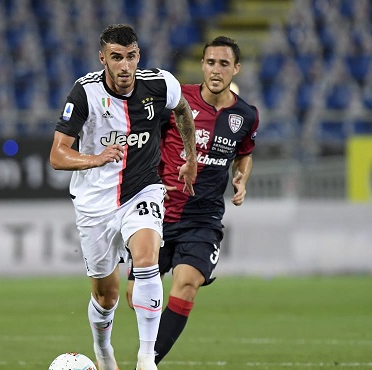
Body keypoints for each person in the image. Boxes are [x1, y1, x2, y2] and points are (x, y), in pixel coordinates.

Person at [49, 24, 198, 370]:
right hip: (94, 204)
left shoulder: (160, 84)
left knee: (147, 259)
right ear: (103, 58)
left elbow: (183, 111)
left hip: (142, 190)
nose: (125, 66)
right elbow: (57, 156)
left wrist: (190, 158)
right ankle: (104, 353)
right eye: (116, 58)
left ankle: (147, 359)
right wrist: (96, 158)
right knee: (106, 295)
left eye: (131, 57)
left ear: (138, 56)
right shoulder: (84, 93)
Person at [126, 36, 259, 365]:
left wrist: (242, 178)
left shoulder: (246, 115)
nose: (216, 70)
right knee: (133, 296)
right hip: (158, 214)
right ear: (202, 65)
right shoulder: (176, 99)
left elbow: (244, 154)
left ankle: (148, 360)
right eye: (211, 62)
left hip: (204, 219)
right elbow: (144, 139)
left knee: (186, 283)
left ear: (236, 69)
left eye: (224, 64)